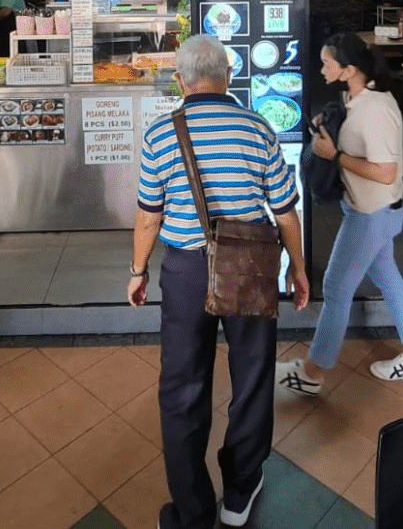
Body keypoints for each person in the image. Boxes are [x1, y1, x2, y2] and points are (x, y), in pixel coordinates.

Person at [127, 33, 309, 529]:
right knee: (252, 378)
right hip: (250, 267)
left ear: (180, 80)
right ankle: (241, 492)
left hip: (185, 269)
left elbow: (148, 216)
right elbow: (286, 212)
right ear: (228, 77)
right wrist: (298, 268)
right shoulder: (259, 129)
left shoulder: (161, 135)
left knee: (183, 387)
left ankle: (192, 510)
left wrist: (139, 270)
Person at [277, 32, 403, 396]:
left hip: (372, 214)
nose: (322, 68)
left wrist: (336, 157)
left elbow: (386, 171)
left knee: (335, 287)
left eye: (328, 63)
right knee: (389, 280)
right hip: (377, 211)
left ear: (348, 69)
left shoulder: (376, 110)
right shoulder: (357, 98)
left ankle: (313, 373)